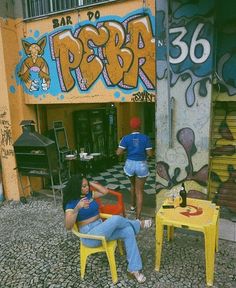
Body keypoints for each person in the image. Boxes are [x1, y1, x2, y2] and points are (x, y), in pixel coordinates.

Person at [63, 174, 152, 284]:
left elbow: (105, 192)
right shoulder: (71, 203)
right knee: (115, 219)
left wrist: (90, 183)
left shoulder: (89, 195)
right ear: (76, 187)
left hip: (101, 229)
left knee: (128, 231)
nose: (87, 188)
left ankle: (133, 269)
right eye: (83, 186)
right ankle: (138, 224)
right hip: (90, 235)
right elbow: (68, 226)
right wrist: (77, 208)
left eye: (87, 185)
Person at [116, 116, 153, 219]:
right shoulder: (145, 138)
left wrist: (126, 148)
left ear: (131, 126)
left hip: (130, 164)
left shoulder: (125, 138)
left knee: (132, 185)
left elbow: (118, 153)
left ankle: (132, 206)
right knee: (139, 191)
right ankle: (138, 217)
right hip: (141, 164)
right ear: (140, 126)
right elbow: (150, 154)